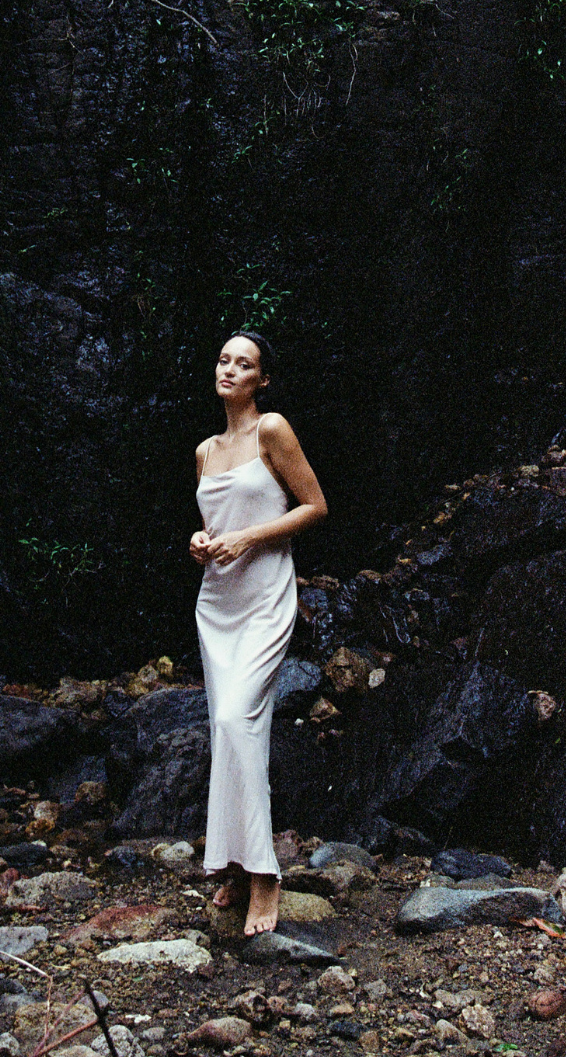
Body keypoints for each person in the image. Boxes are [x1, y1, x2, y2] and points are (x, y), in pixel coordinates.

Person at [191, 331, 327, 935]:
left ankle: (266, 877)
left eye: (243, 364)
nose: (229, 369)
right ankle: (232, 864)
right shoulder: (204, 450)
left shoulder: (272, 429)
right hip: (217, 603)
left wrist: (247, 538)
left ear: (262, 379)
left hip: (267, 595)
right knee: (226, 731)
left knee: (237, 720)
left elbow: (315, 507)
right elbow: (216, 525)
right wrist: (202, 543)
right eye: (224, 359)